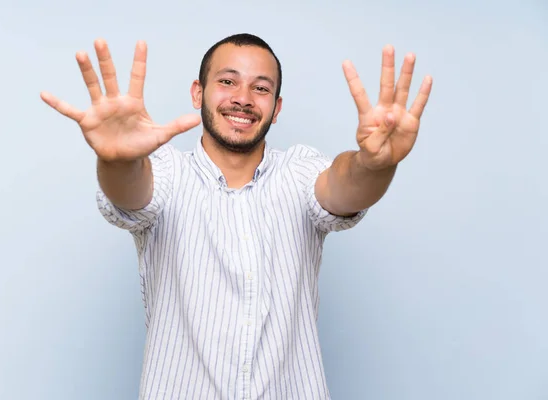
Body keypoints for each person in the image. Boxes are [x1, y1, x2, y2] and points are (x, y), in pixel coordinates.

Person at [40, 33, 432, 400]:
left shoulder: (299, 172)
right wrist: (119, 158)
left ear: (276, 109)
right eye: (227, 82)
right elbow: (130, 191)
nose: (243, 98)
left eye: (260, 88)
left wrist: (375, 164)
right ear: (198, 93)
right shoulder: (166, 173)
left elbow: (346, 187)